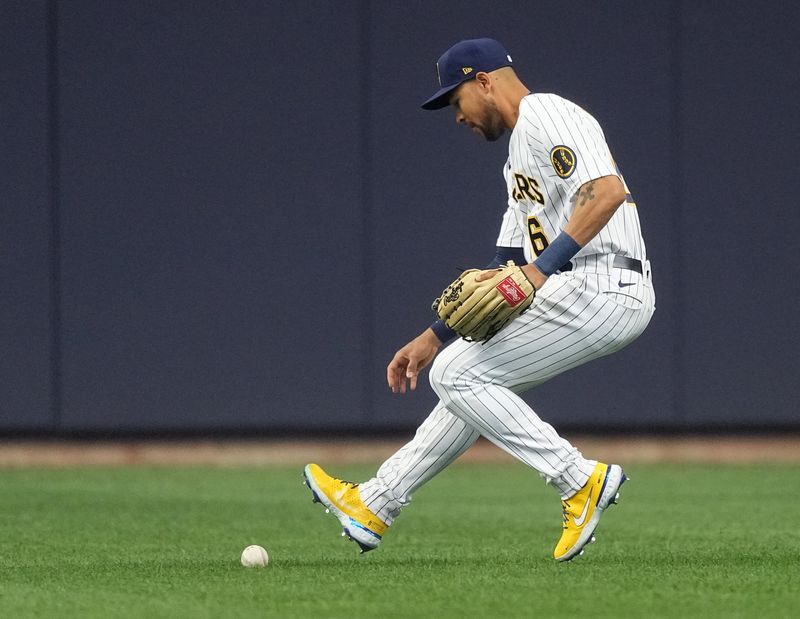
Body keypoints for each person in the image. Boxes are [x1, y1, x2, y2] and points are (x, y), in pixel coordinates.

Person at [304, 37, 655, 561]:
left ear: (485, 82)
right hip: (580, 283)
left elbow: (605, 193)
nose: (457, 116)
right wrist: (431, 335)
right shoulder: (517, 158)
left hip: (605, 283)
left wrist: (538, 272)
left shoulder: (546, 112)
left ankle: (577, 479)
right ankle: (375, 503)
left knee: (459, 374)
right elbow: (503, 267)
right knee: (464, 380)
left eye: (455, 99)